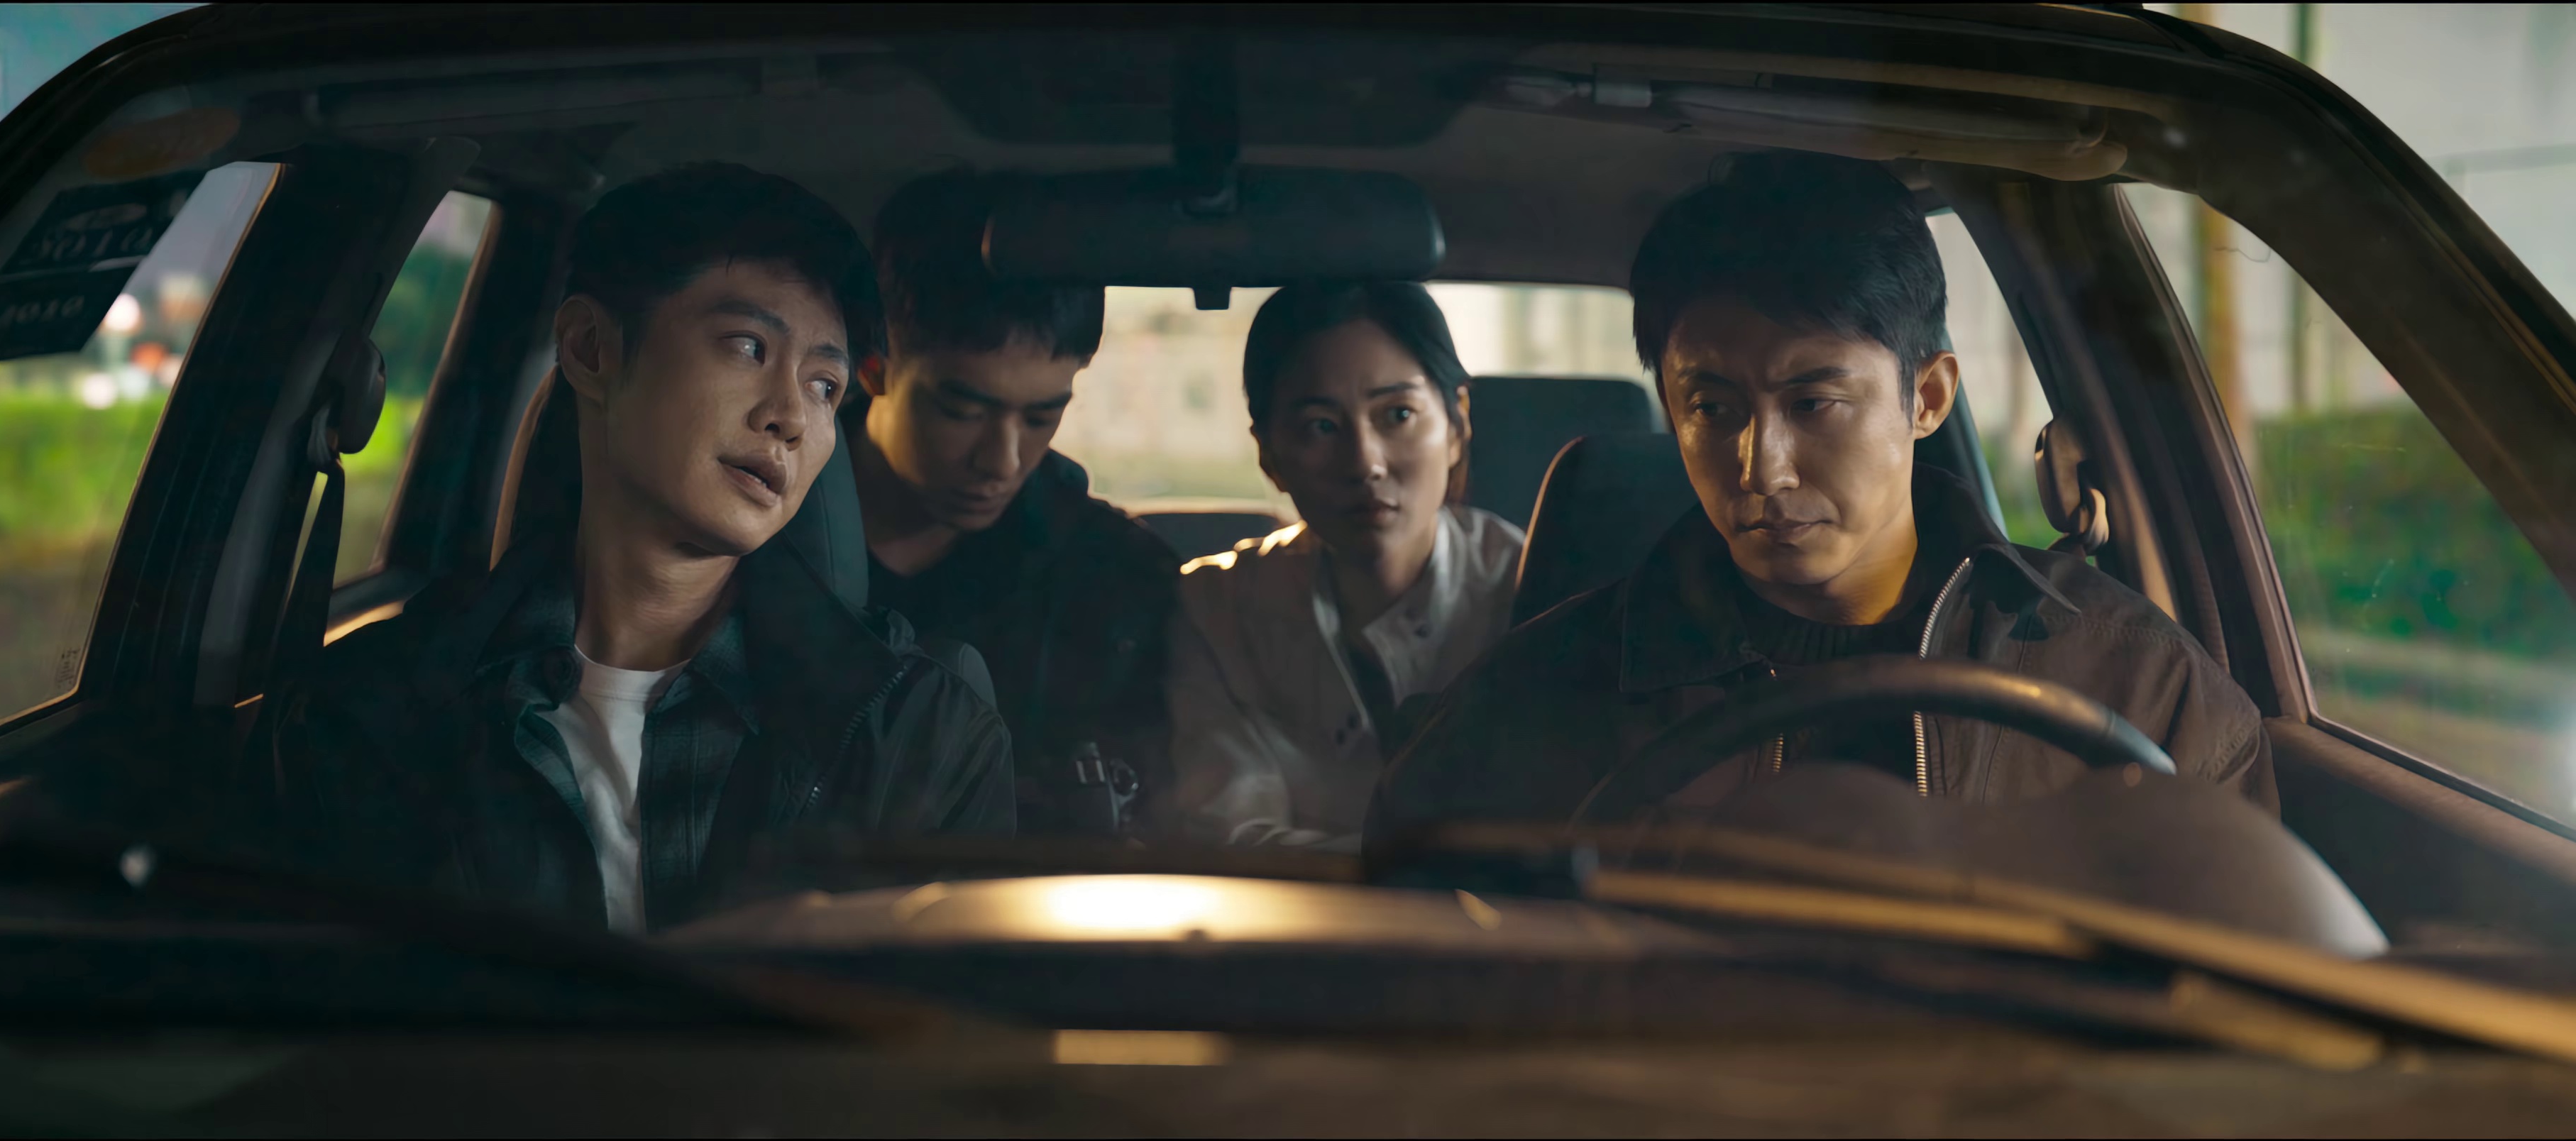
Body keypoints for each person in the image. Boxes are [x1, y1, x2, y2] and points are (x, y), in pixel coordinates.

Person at [1370, 153, 2273, 842]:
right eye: (1712, 409)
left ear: (1927, 398)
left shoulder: (2136, 684)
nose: (1762, 468)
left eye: (1814, 404)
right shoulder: (1539, 696)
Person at [273, 163, 1013, 933]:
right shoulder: (374, 711)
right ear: (592, 349)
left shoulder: (920, 730)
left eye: (825, 386)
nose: (792, 417)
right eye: (749, 347)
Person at [845, 168, 1179, 837]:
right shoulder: (748, 544)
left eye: (1041, 416)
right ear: (875, 364)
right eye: (963, 410)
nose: (1002, 461)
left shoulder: (1118, 580)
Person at [1162, 282, 1525, 851]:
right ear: (1268, 454)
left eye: (1398, 415)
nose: (1364, 463)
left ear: (1458, 425)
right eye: (1321, 427)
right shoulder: (1216, 608)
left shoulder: (1535, 589)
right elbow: (1227, 840)